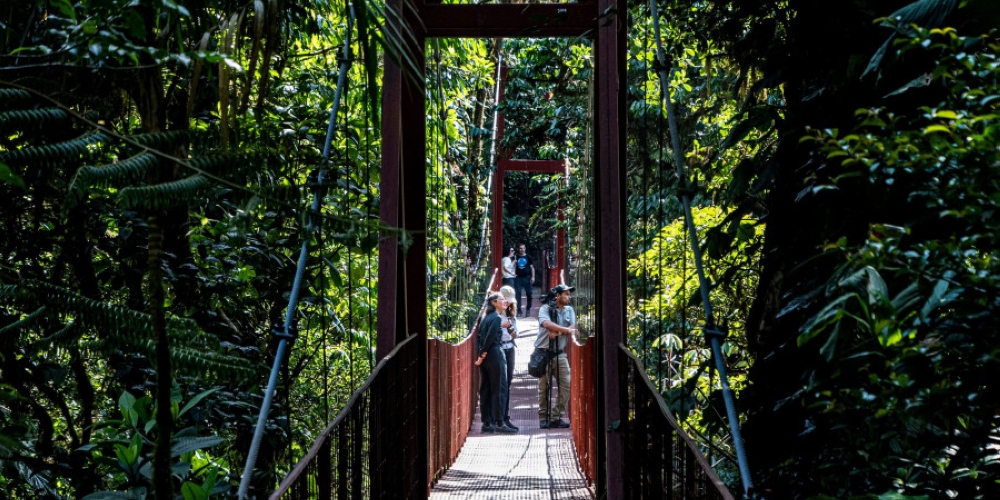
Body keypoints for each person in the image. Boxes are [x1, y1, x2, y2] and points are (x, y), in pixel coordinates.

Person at [535, 284, 576, 429]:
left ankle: (556, 416)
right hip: (544, 352)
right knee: (543, 387)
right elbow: (545, 323)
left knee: (566, 384)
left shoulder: (569, 310)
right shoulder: (545, 308)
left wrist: (558, 332)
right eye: (566, 294)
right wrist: (562, 330)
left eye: (569, 295)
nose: (569, 297)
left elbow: (573, 327)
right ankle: (543, 417)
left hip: (560, 353)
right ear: (557, 296)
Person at [475, 292, 517, 434]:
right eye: (501, 299)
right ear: (494, 302)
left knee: (486, 388)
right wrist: (484, 351)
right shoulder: (496, 318)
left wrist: (481, 353)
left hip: (487, 356)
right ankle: (500, 422)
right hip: (495, 353)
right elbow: (491, 336)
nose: (505, 301)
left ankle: (487, 422)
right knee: (500, 387)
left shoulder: (486, 318)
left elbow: (480, 337)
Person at [498, 285, 519, 431]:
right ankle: (499, 419)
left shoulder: (511, 315)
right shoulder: (494, 314)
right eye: (506, 301)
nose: (509, 304)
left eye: (510, 301)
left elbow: (516, 333)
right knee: (501, 385)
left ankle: (505, 417)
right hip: (498, 349)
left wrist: (513, 331)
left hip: (510, 348)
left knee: (508, 384)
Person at [513, 243, 535, 317]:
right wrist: (513, 273)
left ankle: (528, 309)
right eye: (520, 248)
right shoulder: (515, 257)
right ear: (518, 249)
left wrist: (533, 277)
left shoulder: (528, 257)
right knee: (518, 294)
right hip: (518, 278)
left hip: (527, 278)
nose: (522, 250)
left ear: (525, 249)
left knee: (529, 294)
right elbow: (512, 266)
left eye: (523, 248)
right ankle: (519, 311)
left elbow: (532, 268)